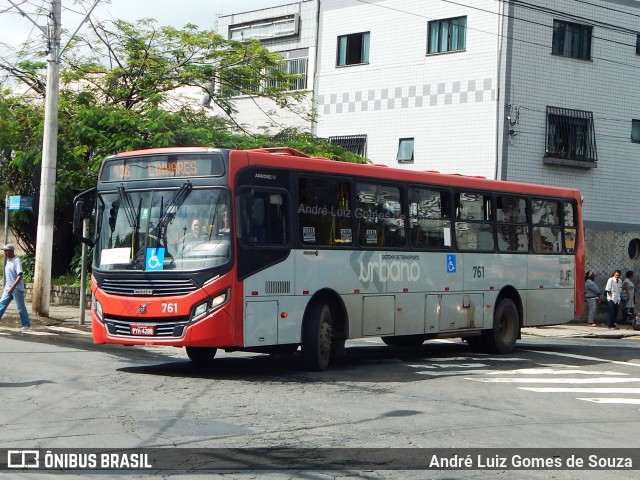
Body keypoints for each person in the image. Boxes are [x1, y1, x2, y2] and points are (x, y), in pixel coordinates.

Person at [0, 244, 31, 331]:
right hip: (8, 287)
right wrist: (8, 287)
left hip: (16, 288)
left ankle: (26, 324)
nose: (5, 252)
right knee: (1, 304)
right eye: (4, 251)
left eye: (6, 251)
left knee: (21, 307)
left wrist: (13, 287)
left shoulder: (16, 261)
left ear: (11, 251)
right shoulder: (8, 261)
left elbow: (20, 275)